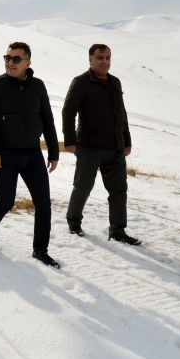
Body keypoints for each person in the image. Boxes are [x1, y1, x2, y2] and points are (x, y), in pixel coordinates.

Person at [0, 42, 61, 268]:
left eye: (16, 59)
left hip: (33, 154)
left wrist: (53, 152)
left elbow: (47, 120)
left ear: (28, 63)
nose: (10, 62)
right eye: (7, 58)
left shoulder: (38, 86)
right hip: (5, 154)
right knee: (6, 201)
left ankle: (40, 250)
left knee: (43, 204)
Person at [62, 44, 139, 245]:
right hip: (88, 146)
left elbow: (121, 113)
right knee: (83, 186)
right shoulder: (81, 82)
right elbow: (68, 111)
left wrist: (127, 140)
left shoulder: (115, 82)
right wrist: (70, 140)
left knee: (119, 190)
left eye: (108, 57)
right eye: (100, 57)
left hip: (115, 147)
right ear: (90, 60)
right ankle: (73, 222)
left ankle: (118, 230)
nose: (105, 61)